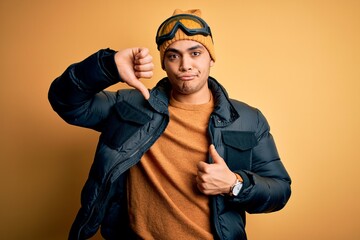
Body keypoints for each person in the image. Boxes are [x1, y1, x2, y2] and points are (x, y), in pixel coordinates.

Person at [49, 9, 291, 240]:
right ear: (163, 63)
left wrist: (234, 185)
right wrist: (109, 65)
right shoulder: (130, 105)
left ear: (211, 58)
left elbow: (279, 190)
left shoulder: (247, 119)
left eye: (195, 53)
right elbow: (66, 103)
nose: (185, 65)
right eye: (173, 55)